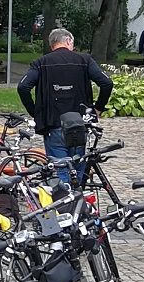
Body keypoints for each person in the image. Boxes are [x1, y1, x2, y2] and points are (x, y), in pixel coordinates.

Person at [15, 26, 112, 181]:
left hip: (53, 123)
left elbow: (23, 87)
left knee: (59, 170)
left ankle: (63, 201)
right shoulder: (84, 60)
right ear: (68, 41)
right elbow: (106, 83)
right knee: (78, 166)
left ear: (52, 44)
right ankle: (77, 199)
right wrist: (97, 109)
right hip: (79, 123)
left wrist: (36, 112)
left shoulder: (40, 63)